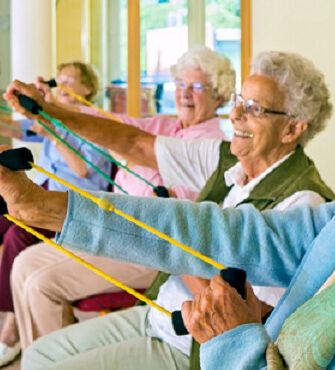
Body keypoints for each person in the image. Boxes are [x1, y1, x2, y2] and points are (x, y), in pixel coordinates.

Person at [3, 34, 335, 369]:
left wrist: (232, 336)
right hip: (166, 313)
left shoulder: (305, 195)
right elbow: (216, 227)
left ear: (293, 128)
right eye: (239, 102)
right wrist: (45, 201)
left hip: (191, 345)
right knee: (39, 355)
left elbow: (249, 310)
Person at [9, 45, 235, 353]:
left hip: (151, 246)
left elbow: (178, 204)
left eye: (196, 87)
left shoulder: (213, 144)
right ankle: (43, 357)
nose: (184, 94)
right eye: (181, 85)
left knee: (39, 283)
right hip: (111, 228)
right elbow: (115, 127)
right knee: (23, 265)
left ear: (219, 95)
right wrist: (49, 107)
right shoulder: (166, 125)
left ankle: (51, 359)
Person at [0, 61, 113, 367]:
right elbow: (11, 128)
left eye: (68, 80)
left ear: (87, 88)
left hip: (73, 206)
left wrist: (52, 132)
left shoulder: (97, 123)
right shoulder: (55, 119)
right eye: (58, 79)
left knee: (16, 235)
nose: (60, 83)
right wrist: (24, 103)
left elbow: (82, 169)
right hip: (42, 193)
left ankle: (10, 330)